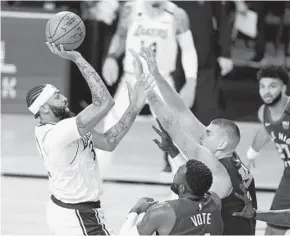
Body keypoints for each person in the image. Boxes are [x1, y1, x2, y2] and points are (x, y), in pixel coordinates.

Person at [26, 42, 153, 235]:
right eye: (57, 97)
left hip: (74, 211)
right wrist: (77, 58)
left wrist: (134, 108)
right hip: (76, 216)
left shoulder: (65, 125)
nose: (65, 99)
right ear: (44, 108)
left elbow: (109, 141)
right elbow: (104, 102)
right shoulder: (57, 134)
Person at [130, 47, 257, 235]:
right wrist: (156, 75)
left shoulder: (219, 169)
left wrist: (147, 92)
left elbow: (172, 125)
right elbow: (182, 112)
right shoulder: (232, 158)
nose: (202, 135)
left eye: (209, 134)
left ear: (221, 144)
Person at [101, 0, 198, 177]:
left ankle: (184, 188)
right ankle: (94, 183)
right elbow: (121, 36)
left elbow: (189, 50)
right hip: (132, 78)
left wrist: (191, 81)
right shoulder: (130, 9)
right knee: (111, 127)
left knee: (175, 131)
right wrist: (111, 57)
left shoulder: (178, 14)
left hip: (161, 81)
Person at [119, 159, 223, 235]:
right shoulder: (215, 201)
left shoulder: (162, 212)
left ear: (182, 188)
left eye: (177, 173)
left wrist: (135, 210)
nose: (174, 176)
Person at [246, 65, 290, 235]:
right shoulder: (263, 111)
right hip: (288, 177)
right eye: (263, 86)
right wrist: (252, 152)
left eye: (273, 86)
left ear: (284, 88)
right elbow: (267, 130)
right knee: (272, 229)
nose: (267, 91)